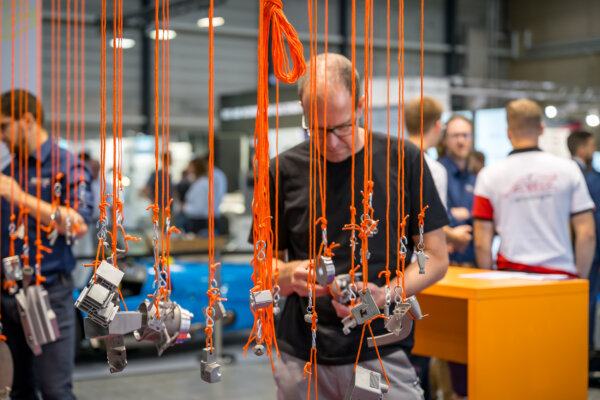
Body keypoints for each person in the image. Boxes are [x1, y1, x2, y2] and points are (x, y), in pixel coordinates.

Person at [268, 53, 449, 400]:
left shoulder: (404, 160)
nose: (332, 143)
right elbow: (264, 267)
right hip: (302, 357)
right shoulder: (283, 171)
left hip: (380, 351)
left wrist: (387, 293)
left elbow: (436, 258)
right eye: (318, 130)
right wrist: (289, 274)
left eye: (342, 127)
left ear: (361, 105)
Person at [0, 89, 93, 399]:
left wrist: (20, 197)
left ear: (27, 120)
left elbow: (78, 224)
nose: (1, 136)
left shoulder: (66, 166)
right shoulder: (10, 171)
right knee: (18, 390)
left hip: (47, 295)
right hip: (9, 295)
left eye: (4, 126)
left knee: (55, 391)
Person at [473, 99, 595, 279]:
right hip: (561, 276)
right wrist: (580, 280)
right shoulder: (568, 170)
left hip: (510, 278)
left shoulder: (489, 175)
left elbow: (481, 242)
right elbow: (587, 233)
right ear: (542, 129)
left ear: (508, 133)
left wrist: (489, 281)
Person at [567, 130, 600, 377]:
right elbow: (592, 227)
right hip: (588, 252)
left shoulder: (562, 173)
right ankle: (583, 358)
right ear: (582, 148)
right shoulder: (590, 178)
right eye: (591, 146)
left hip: (564, 252)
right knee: (585, 302)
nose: (593, 150)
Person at [440, 115, 477, 267]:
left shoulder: (476, 176)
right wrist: (453, 235)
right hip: (445, 262)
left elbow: (487, 217)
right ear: (445, 140)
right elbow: (436, 217)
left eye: (465, 135)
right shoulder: (437, 173)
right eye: (455, 136)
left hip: (474, 263)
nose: (461, 141)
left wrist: (469, 213)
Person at [182, 157, 228, 235]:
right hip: (201, 220)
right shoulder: (199, 182)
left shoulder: (202, 184)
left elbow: (200, 208)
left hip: (202, 222)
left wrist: (184, 208)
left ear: (195, 168)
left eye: (190, 166)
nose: (187, 168)